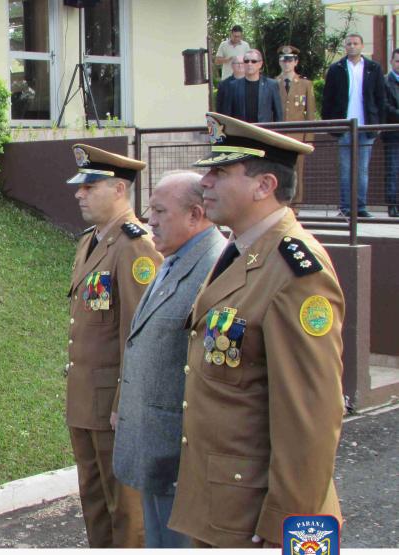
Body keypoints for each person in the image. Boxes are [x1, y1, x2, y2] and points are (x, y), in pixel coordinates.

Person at [167, 112, 346, 548]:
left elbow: (310, 417)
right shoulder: (241, 249)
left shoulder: (296, 272)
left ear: (264, 185)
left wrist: (287, 527)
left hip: (260, 519)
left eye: (221, 172)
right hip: (223, 504)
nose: (204, 182)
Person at [112, 171, 225, 549]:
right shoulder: (175, 258)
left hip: (180, 453)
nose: (150, 220)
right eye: (150, 210)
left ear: (195, 215)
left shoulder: (214, 269)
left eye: (160, 211)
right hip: (157, 447)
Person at [65, 144, 162, 548]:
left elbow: (139, 335)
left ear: (119, 189)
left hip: (114, 407)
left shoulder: (135, 245)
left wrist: (127, 403)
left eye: (90, 186)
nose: (79, 193)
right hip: (86, 399)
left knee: (125, 510)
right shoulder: (90, 241)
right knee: (94, 502)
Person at [322, 33, 386, 218]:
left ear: (362, 46)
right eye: (349, 43)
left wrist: (379, 124)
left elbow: (380, 98)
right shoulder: (336, 69)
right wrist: (330, 123)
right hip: (344, 126)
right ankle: (345, 208)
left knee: (362, 170)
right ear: (345, 46)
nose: (352, 46)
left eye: (355, 43)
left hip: (366, 126)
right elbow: (328, 98)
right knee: (345, 170)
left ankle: (360, 207)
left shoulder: (373, 68)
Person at [277, 45, 317, 208]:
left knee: (297, 171)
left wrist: (309, 138)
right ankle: (281, 204)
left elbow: (310, 113)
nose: (286, 63)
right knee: (278, 169)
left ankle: (296, 206)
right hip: (278, 135)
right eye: (283, 60)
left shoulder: (305, 84)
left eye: (290, 60)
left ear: (296, 62)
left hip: (298, 136)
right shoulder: (273, 83)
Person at [218, 49, 282, 123]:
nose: (249, 64)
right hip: (242, 129)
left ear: (260, 64)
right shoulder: (233, 86)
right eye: (246, 61)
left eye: (253, 61)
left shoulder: (271, 85)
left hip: (263, 129)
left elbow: (278, 114)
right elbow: (227, 115)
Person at [383, 48, 399, 217]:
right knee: (393, 169)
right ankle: (393, 205)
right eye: (397, 61)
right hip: (393, 133)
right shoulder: (385, 81)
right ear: (392, 62)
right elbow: (385, 105)